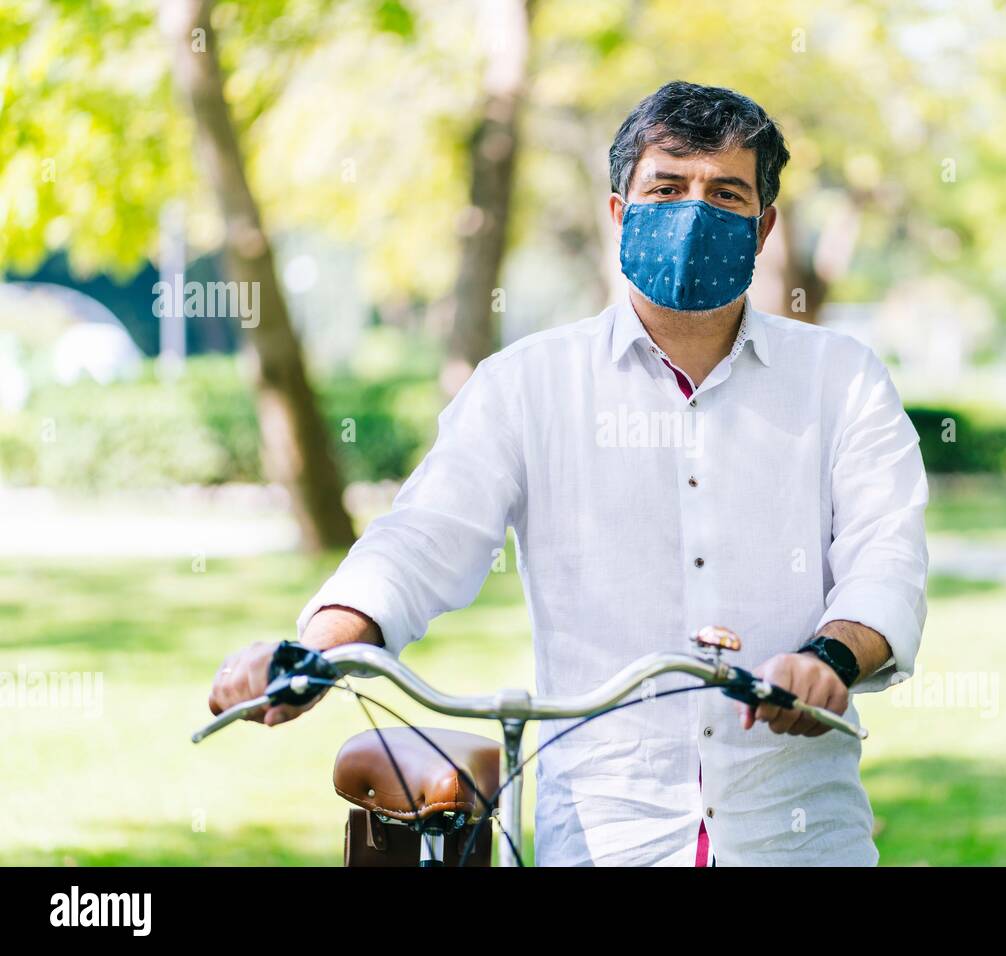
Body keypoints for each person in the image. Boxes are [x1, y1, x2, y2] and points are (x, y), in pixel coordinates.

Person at [209, 80, 929, 866]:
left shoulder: (843, 378)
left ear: (763, 229)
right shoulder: (526, 385)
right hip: (602, 836)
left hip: (800, 835)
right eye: (667, 187)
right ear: (620, 212)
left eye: (726, 194)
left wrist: (827, 661)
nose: (695, 212)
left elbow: (886, 560)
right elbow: (422, 541)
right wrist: (315, 653)